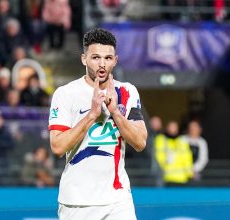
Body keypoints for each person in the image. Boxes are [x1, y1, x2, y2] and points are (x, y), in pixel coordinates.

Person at [49, 28, 147, 220]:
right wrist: (92, 115)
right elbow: (57, 146)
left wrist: (115, 112)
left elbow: (140, 142)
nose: (102, 64)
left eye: (108, 58)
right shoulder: (66, 94)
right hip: (76, 201)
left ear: (115, 60)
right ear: (84, 59)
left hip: (118, 200)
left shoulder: (127, 92)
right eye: (95, 57)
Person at [154, 120, 193, 185]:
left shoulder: (182, 140)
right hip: (167, 177)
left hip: (182, 178)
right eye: (171, 127)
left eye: (174, 127)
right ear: (167, 128)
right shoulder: (161, 139)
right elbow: (158, 156)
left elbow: (187, 157)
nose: (172, 130)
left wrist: (190, 173)